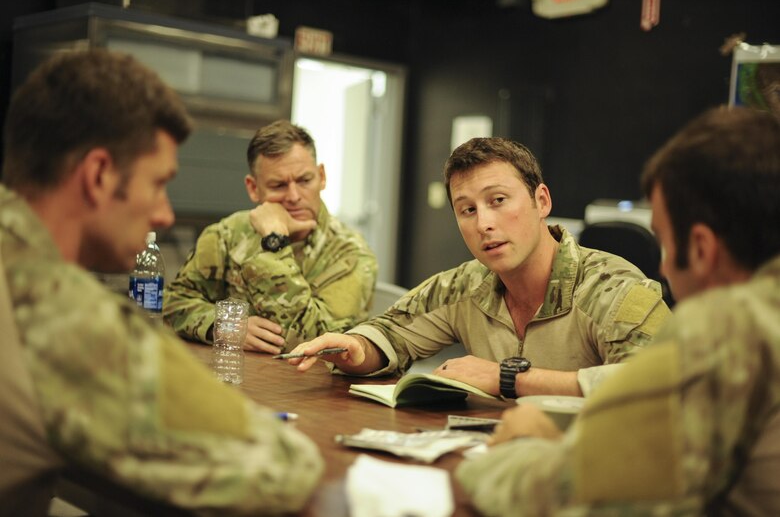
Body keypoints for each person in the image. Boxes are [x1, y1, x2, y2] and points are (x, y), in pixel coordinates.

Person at [0, 50, 322, 516]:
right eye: (157, 183)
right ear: (98, 176)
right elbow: (280, 470)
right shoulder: (58, 310)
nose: (164, 213)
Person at [456, 106, 780, 516]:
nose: (662, 268)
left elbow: (583, 499)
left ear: (700, 248)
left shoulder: (729, 327)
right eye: (467, 209)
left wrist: (524, 446)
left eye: (663, 242)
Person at [285, 137, 670, 398]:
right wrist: (355, 348)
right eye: (467, 209)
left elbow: (661, 381)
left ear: (541, 200)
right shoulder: (466, 284)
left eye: (498, 200)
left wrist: (508, 379)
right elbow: (390, 334)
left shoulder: (611, 287)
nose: (483, 223)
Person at [163, 120, 378, 354]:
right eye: (278, 185)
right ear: (253, 188)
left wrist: (274, 242)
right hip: (234, 375)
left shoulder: (351, 252)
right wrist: (224, 326)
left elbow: (311, 340)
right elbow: (173, 303)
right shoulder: (227, 235)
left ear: (322, 176)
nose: (294, 196)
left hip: (315, 385)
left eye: (305, 180)